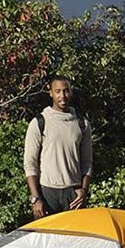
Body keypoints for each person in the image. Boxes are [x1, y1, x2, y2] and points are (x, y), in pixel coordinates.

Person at [24, 76, 94, 218]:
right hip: (48, 194)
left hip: (73, 195)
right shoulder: (39, 122)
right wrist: (36, 198)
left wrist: (84, 190)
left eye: (66, 91)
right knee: (49, 240)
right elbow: (30, 164)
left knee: (76, 239)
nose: (62, 96)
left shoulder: (82, 123)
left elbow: (87, 162)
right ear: (51, 93)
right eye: (58, 91)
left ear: (71, 92)